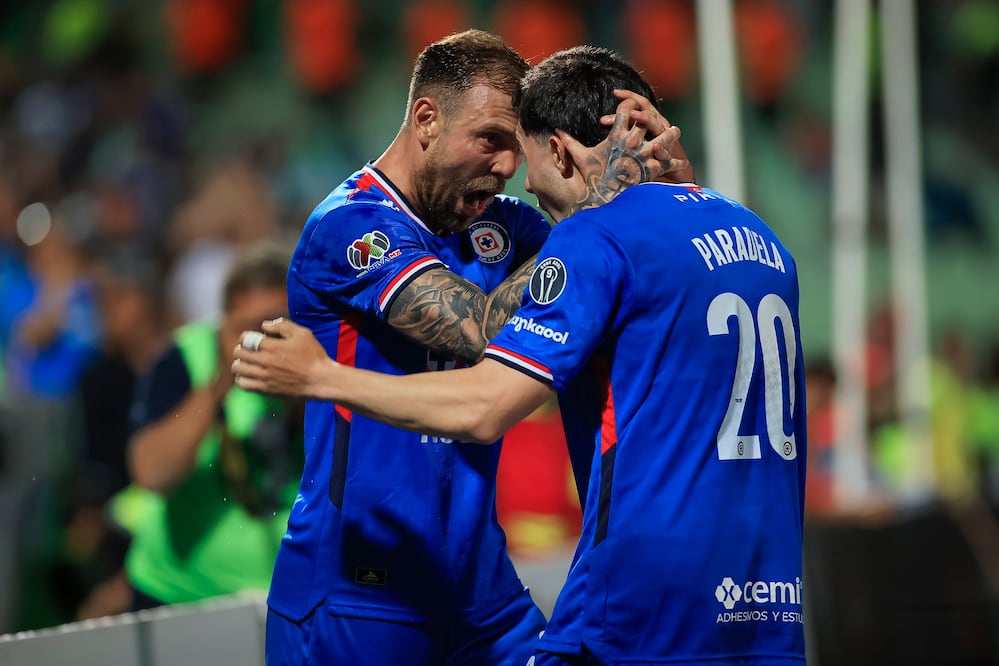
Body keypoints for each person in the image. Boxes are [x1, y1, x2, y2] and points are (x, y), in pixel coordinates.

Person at [234, 46, 806, 665]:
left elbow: (617, 255)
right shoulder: (350, 226)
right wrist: (602, 206)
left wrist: (657, 197)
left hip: (481, 590)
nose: (509, 169)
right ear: (427, 120)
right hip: (363, 583)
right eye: (488, 140)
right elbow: (479, 329)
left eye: (516, 147)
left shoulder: (505, 227)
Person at [122, 239, 304, 610]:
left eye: (280, 321)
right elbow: (152, 474)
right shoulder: (186, 357)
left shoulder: (319, 359)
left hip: (284, 596)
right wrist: (223, 376)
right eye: (253, 325)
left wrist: (303, 383)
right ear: (224, 320)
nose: (266, 336)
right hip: (180, 593)